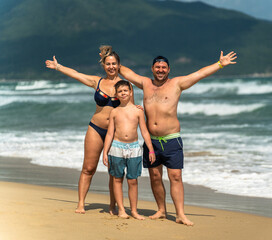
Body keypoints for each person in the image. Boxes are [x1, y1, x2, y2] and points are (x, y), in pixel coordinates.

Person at [118, 51, 237, 225]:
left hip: (172, 139)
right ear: (152, 68)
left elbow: (199, 74)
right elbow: (126, 73)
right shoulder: (145, 83)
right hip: (152, 141)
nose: (160, 70)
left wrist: (219, 64)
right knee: (155, 177)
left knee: (175, 177)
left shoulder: (177, 84)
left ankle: (180, 214)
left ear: (169, 70)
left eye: (163, 67)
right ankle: (161, 210)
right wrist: (111, 59)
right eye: (157, 67)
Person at [45, 46, 134, 214]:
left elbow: (129, 109)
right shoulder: (97, 81)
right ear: (104, 65)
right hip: (96, 128)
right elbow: (77, 74)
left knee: (114, 172)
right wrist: (58, 67)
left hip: (115, 133)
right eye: (108, 64)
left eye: (114, 64)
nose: (111, 67)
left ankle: (112, 206)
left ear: (119, 65)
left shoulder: (125, 85)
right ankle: (81, 203)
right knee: (88, 167)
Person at [102, 80, 156, 220]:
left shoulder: (138, 111)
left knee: (133, 180)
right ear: (116, 95)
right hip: (116, 148)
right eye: (120, 91)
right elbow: (109, 133)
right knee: (117, 179)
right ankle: (121, 209)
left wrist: (150, 149)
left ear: (131, 92)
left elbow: (144, 131)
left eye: (125, 90)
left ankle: (134, 210)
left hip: (134, 148)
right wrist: (105, 152)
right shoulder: (114, 112)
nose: (123, 93)